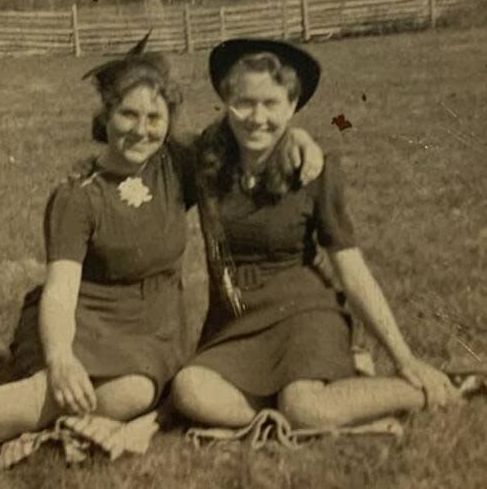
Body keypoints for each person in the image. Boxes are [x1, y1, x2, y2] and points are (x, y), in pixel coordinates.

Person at [0, 35, 324, 470]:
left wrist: (300, 137)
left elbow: (246, 132)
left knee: (132, 390)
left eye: (155, 117)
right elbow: (60, 290)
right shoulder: (77, 195)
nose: (142, 129)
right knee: (57, 385)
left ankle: (36, 417)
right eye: (128, 114)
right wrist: (60, 358)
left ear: (169, 120)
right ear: (107, 115)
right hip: (81, 315)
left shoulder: (176, 165)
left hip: (152, 327)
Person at [171, 38, 462, 430]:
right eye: (244, 102)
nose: (257, 118)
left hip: (304, 314)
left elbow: (350, 268)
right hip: (235, 320)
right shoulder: (204, 160)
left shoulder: (312, 169)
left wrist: (404, 358)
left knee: (305, 407)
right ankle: (317, 405)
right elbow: (140, 150)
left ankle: (430, 388)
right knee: (189, 390)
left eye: (271, 104)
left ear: (292, 107)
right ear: (226, 102)